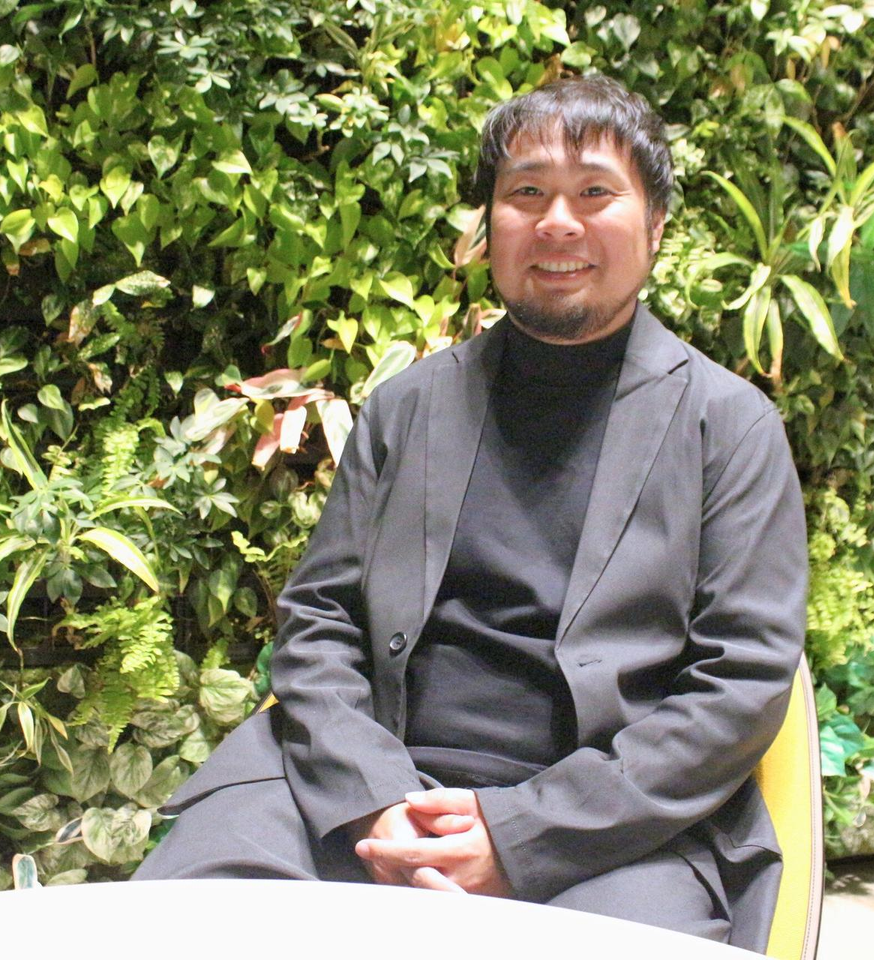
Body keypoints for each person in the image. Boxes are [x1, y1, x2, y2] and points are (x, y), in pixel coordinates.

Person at [133, 75, 807, 952]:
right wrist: (377, 799)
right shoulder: (408, 408)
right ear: (491, 225)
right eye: (526, 193)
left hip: (611, 827)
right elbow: (318, 623)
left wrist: (518, 834)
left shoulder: (729, 428)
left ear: (656, 226)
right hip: (360, 789)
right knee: (184, 926)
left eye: (594, 193)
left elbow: (738, 688)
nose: (557, 222)